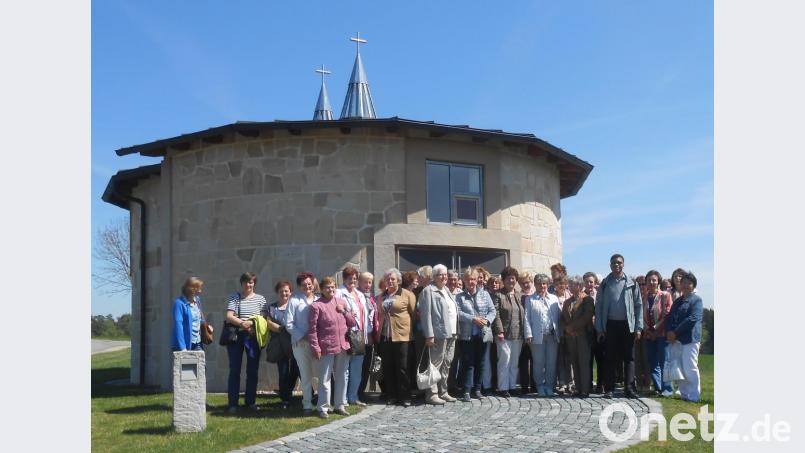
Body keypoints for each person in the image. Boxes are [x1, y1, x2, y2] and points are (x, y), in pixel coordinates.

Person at [595, 254, 643, 399]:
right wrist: (600, 328)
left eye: (619, 262)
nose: (616, 265)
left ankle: (629, 388)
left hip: (628, 325)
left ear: (623, 264)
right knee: (609, 357)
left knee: (629, 358)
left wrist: (638, 328)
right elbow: (599, 306)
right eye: (614, 263)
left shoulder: (631, 283)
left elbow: (638, 305)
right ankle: (609, 389)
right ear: (610, 265)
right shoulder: (605, 283)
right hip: (610, 324)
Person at [308, 276, 356, 419]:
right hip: (326, 347)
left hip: (343, 345)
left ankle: (340, 405)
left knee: (342, 377)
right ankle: (323, 407)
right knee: (324, 379)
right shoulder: (316, 306)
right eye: (328, 287)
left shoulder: (341, 302)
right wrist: (315, 347)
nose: (331, 289)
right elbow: (312, 329)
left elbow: (353, 322)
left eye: (333, 286)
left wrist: (344, 311)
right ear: (322, 289)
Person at [225, 272, 268, 413]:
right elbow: (229, 316)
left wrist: (250, 322)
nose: (248, 285)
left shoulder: (261, 299)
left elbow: (263, 317)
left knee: (252, 370)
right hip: (236, 337)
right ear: (241, 283)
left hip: (253, 337)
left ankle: (250, 402)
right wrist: (243, 323)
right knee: (234, 370)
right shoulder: (234, 297)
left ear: (254, 283)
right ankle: (232, 403)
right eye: (245, 282)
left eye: (251, 282)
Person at [418, 264, 459, 405]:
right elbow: (426, 314)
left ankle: (443, 391)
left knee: (447, 363)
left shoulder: (447, 290)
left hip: (452, 333)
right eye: (440, 274)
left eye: (445, 274)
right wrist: (429, 335)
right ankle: (431, 394)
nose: (444, 277)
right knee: (436, 364)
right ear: (434, 277)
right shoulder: (428, 291)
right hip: (438, 333)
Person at [376, 268, 417, 406]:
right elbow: (379, 314)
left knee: (403, 367)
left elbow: (412, 313)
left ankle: (405, 396)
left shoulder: (407, 294)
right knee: (388, 366)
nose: (390, 281)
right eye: (387, 279)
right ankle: (391, 395)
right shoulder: (381, 296)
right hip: (385, 336)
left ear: (398, 280)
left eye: (392, 278)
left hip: (402, 336)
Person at [455, 267, 496, 402]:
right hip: (467, 335)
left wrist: (486, 321)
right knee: (468, 362)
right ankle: (467, 390)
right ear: (464, 281)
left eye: (473, 279)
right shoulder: (459, 297)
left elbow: (492, 311)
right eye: (468, 279)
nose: (471, 282)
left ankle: (477, 389)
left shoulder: (485, 294)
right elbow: (458, 313)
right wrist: (472, 318)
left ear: (477, 279)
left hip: (482, 333)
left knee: (481, 362)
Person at [665, 271, 703, 402]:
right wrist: (669, 332)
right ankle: (684, 394)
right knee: (680, 368)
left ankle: (694, 396)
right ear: (680, 285)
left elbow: (693, 319)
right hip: (676, 340)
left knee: (690, 367)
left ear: (693, 285)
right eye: (684, 283)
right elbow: (670, 317)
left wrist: (675, 332)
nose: (686, 285)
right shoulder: (678, 301)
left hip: (690, 340)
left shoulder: (697, 300)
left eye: (689, 283)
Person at [337, 266, 372, 407]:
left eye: (355, 279)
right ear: (344, 279)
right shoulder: (339, 293)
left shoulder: (360, 294)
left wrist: (367, 333)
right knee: (344, 369)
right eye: (350, 278)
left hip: (359, 336)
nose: (353, 281)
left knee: (357, 369)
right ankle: (343, 398)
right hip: (346, 334)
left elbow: (365, 315)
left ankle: (353, 396)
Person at [285, 271, 319, 414]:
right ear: (299, 286)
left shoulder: (319, 299)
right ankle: (307, 405)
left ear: (313, 284)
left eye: (309, 284)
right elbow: (289, 323)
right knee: (305, 375)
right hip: (301, 344)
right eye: (304, 284)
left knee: (320, 375)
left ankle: (323, 403)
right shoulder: (294, 301)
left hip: (317, 344)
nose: (307, 286)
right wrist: (303, 336)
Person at [524, 273, 562, 396]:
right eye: (539, 284)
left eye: (544, 283)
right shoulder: (530, 299)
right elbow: (527, 318)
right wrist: (528, 334)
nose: (542, 286)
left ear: (548, 284)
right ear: (535, 285)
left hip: (552, 336)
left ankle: (549, 386)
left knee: (551, 362)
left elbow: (559, 317)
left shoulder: (554, 298)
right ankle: (540, 386)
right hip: (537, 336)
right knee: (538, 362)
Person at [266, 280, 299, 409]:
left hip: (295, 342)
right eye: (281, 291)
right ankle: (285, 398)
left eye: (286, 291)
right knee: (283, 371)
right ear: (277, 293)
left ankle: (289, 391)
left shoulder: (295, 306)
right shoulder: (272, 308)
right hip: (280, 344)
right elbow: (268, 323)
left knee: (296, 370)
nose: (284, 293)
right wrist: (282, 329)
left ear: (290, 292)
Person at [492, 266, 524, 397]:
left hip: (518, 334)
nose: (511, 281)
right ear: (504, 280)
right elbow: (496, 314)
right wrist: (499, 331)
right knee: (504, 361)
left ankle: (512, 386)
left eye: (513, 278)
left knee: (514, 362)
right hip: (503, 334)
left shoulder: (519, 295)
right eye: (509, 278)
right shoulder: (498, 295)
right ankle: (503, 387)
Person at [642, 270, 674, 396]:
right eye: (649, 280)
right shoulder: (643, 297)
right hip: (648, 335)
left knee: (664, 362)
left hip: (661, 334)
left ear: (658, 281)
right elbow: (640, 316)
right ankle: (658, 388)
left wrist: (655, 330)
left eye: (654, 280)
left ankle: (667, 389)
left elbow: (667, 315)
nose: (651, 282)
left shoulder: (665, 295)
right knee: (653, 362)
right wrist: (647, 331)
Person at [561, 276, 594, 397]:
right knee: (574, 362)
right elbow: (562, 319)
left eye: (572, 284)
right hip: (571, 337)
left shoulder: (587, 300)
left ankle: (585, 389)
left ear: (579, 286)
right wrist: (567, 329)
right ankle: (578, 388)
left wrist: (572, 327)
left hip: (583, 336)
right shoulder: (567, 302)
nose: (569, 286)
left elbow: (586, 317)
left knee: (583, 362)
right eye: (569, 284)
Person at [357, 271, 380, 402]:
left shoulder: (371, 297)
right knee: (357, 367)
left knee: (366, 366)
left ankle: (362, 391)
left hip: (370, 336)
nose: (367, 284)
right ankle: (355, 392)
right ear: (359, 282)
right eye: (365, 281)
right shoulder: (357, 296)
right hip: (359, 336)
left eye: (370, 282)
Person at [583, 271, 605, 393]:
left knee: (600, 359)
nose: (589, 284)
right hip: (586, 332)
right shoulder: (581, 296)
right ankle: (589, 384)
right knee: (588, 360)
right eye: (587, 282)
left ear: (595, 282)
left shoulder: (600, 295)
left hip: (599, 331)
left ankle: (600, 384)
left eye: (591, 282)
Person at [172, 276, 206, 352]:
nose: (200, 291)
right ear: (192, 289)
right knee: (186, 363)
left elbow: (199, 317)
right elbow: (178, 325)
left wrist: (206, 325)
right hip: (185, 343)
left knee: (200, 363)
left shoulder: (197, 300)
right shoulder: (179, 303)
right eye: (199, 288)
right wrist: (182, 347)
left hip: (197, 342)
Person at [552, 274, 572, 394]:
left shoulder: (569, 296)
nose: (561, 286)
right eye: (558, 283)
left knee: (569, 358)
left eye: (563, 283)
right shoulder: (552, 297)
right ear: (555, 285)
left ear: (566, 285)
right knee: (560, 358)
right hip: (558, 332)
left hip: (569, 332)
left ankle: (571, 382)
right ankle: (562, 383)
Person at [518, 271, 537, 394]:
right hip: (520, 332)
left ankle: (535, 385)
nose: (526, 285)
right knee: (523, 361)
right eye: (523, 283)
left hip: (534, 333)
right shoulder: (518, 297)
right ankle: (524, 386)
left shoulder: (536, 296)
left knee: (535, 360)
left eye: (528, 282)